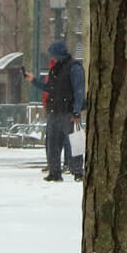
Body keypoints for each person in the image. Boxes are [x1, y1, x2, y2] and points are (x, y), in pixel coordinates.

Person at [22, 40, 84, 181]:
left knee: (72, 142)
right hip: (56, 110)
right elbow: (50, 88)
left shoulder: (74, 68)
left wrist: (76, 111)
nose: (53, 58)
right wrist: (33, 80)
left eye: (54, 55)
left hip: (67, 111)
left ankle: (76, 171)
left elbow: (78, 91)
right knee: (54, 142)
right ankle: (57, 171)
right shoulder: (59, 67)